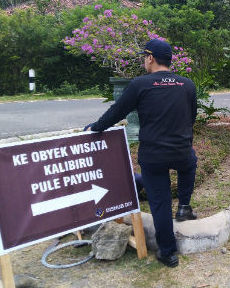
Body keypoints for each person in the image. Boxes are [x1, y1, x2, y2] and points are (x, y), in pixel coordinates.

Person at [85, 39, 198, 268]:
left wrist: (95, 127)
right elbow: (191, 117)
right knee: (189, 162)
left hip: (153, 156)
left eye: (143, 58)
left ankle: (169, 253)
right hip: (181, 150)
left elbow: (116, 112)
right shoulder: (187, 85)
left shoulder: (141, 84)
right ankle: (185, 206)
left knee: (160, 202)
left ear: (150, 58)